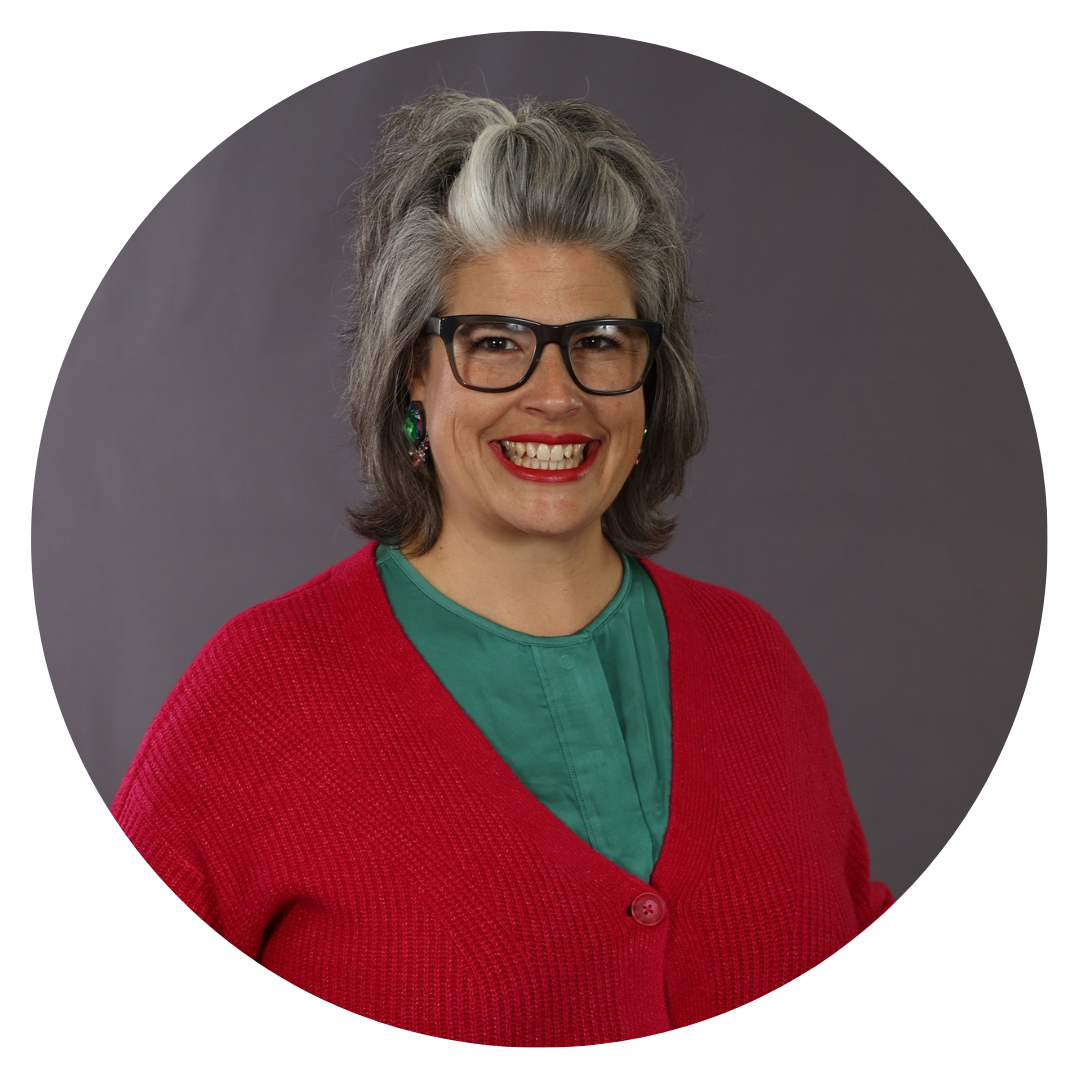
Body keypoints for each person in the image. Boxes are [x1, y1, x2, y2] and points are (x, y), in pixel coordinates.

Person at [111, 91, 892, 1047]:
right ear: (414, 371)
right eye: (495, 344)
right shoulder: (261, 694)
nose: (555, 396)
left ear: (650, 380)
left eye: (598, 343)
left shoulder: (754, 659)